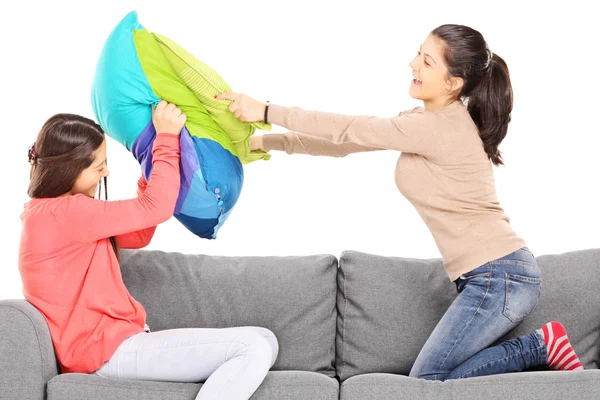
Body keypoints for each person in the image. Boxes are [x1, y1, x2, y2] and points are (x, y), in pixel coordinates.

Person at [215, 24, 583, 380]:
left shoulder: (439, 127)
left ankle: (539, 346)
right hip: (491, 275)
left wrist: (265, 111)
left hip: (500, 275)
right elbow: (345, 143)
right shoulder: (423, 122)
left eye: (427, 61)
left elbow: (347, 127)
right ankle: (540, 347)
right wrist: (267, 143)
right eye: (417, 54)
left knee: (429, 377)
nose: (413, 65)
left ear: (453, 83)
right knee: (435, 375)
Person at [19, 100, 278, 399]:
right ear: (68, 169)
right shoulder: (63, 214)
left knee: (265, 339)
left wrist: (152, 164)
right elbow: (156, 209)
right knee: (253, 347)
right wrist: (166, 140)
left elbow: (140, 232)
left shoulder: (60, 215)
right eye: (98, 166)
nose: (104, 174)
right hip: (105, 353)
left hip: (119, 346)